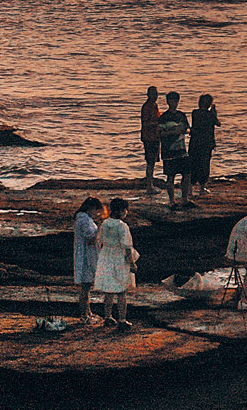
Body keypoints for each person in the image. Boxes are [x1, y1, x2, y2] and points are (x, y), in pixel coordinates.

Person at [92, 198, 140, 328]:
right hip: (119, 258)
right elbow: (127, 246)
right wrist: (132, 263)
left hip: (106, 256)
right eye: (125, 210)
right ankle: (122, 319)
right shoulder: (122, 226)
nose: (126, 212)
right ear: (121, 211)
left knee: (109, 291)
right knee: (121, 291)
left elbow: (99, 240)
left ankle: (108, 317)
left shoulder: (105, 224)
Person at [72, 196, 106, 322]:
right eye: (96, 211)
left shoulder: (84, 219)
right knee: (85, 288)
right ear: (91, 208)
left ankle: (88, 312)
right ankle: (84, 315)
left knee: (87, 287)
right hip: (86, 257)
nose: (97, 214)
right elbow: (91, 239)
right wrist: (101, 227)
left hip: (87, 255)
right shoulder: (84, 220)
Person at [156, 94, 191, 206]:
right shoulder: (164, 117)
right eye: (172, 101)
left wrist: (182, 130)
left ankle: (184, 198)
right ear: (168, 102)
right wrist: (172, 132)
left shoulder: (181, 115)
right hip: (168, 150)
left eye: (176, 101)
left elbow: (187, 129)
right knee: (170, 176)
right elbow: (160, 133)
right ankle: (172, 201)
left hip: (181, 149)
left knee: (187, 174)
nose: (174, 103)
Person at [187, 95, 221, 196]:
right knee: (204, 166)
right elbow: (218, 123)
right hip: (206, 143)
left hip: (195, 142)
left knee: (193, 165)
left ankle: (190, 188)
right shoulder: (210, 115)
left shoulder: (195, 113)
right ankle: (202, 188)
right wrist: (214, 113)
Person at [138, 86, 163, 185]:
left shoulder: (154, 105)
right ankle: (149, 184)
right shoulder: (147, 107)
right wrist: (157, 123)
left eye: (156, 94)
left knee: (152, 161)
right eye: (153, 94)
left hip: (155, 136)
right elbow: (146, 123)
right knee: (150, 162)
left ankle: (150, 182)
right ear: (148, 95)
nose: (155, 96)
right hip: (149, 137)